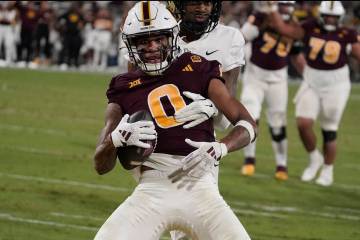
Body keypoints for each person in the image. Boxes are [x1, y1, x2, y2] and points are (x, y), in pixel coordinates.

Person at [93, 2, 256, 240]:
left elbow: (248, 125)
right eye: (142, 41)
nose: (151, 47)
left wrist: (222, 146)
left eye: (158, 39)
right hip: (151, 190)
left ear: (172, 38)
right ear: (130, 45)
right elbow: (100, 165)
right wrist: (115, 140)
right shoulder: (123, 86)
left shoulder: (199, 67)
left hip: (200, 187)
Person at [269, 1, 360, 186]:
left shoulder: (347, 34)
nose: (330, 20)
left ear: (340, 18)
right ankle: (314, 158)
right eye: (327, 16)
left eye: (333, 17)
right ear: (321, 15)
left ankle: (328, 170)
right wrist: (270, 8)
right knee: (303, 123)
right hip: (312, 81)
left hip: (337, 85)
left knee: (329, 130)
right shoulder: (310, 27)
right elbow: (283, 30)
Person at [239, 1, 305, 180]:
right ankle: (249, 160)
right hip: (255, 77)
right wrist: (257, 23)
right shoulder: (260, 17)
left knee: (278, 123)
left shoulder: (294, 26)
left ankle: (281, 164)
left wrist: (309, 78)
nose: (284, 8)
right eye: (281, 5)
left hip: (278, 80)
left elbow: (296, 54)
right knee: (250, 118)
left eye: (287, 5)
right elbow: (242, 37)